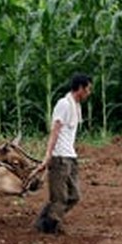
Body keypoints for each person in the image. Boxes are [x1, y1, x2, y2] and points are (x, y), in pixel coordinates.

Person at [34, 73, 92, 234]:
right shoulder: (64, 104)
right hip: (60, 157)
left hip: (70, 157)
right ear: (80, 88)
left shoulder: (76, 105)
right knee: (59, 199)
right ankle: (49, 228)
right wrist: (48, 155)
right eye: (87, 89)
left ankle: (43, 222)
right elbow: (55, 131)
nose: (89, 93)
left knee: (74, 196)